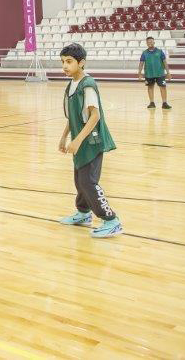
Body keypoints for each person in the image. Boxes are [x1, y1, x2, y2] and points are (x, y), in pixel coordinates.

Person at [57, 43, 122, 238]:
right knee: (79, 180)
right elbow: (73, 117)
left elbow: (95, 116)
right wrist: (64, 137)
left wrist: (77, 140)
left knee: (88, 181)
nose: (65, 66)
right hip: (80, 140)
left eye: (69, 62)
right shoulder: (70, 86)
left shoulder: (88, 84)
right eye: (62, 62)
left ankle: (111, 220)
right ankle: (84, 213)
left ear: (81, 63)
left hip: (92, 141)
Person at [137, 36, 171, 110]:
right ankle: (152, 103)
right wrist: (139, 73)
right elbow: (141, 63)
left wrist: (168, 73)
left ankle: (164, 103)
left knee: (163, 87)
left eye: (151, 42)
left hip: (160, 73)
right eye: (148, 42)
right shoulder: (144, 53)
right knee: (150, 87)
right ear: (146, 43)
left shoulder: (160, 52)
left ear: (154, 42)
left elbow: (165, 62)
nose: (150, 43)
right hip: (149, 74)